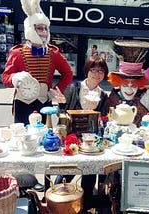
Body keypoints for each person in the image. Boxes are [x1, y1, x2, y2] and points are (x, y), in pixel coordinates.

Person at [2, 0, 73, 125]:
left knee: (43, 137)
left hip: (44, 102)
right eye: (40, 28)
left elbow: (68, 73)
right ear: (30, 29)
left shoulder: (53, 53)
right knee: (23, 136)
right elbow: (5, 78)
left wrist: (56, 90)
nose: (44, 33)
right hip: (22, 103)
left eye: (46, 28)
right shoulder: (18, 53)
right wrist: (15, 77)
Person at [54, 55, 110, 213]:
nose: (97, 73)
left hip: (91, 141)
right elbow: (62, 110)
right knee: (67, 173)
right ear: (87, 70)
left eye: (101, 70)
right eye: (93, 69)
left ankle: (83, 206)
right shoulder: (74, 88)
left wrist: (100, 118)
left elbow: (103, 118)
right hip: (72, 137)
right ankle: (57, 203)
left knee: (90, 174)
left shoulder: (103, 95)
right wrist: (61, 106)